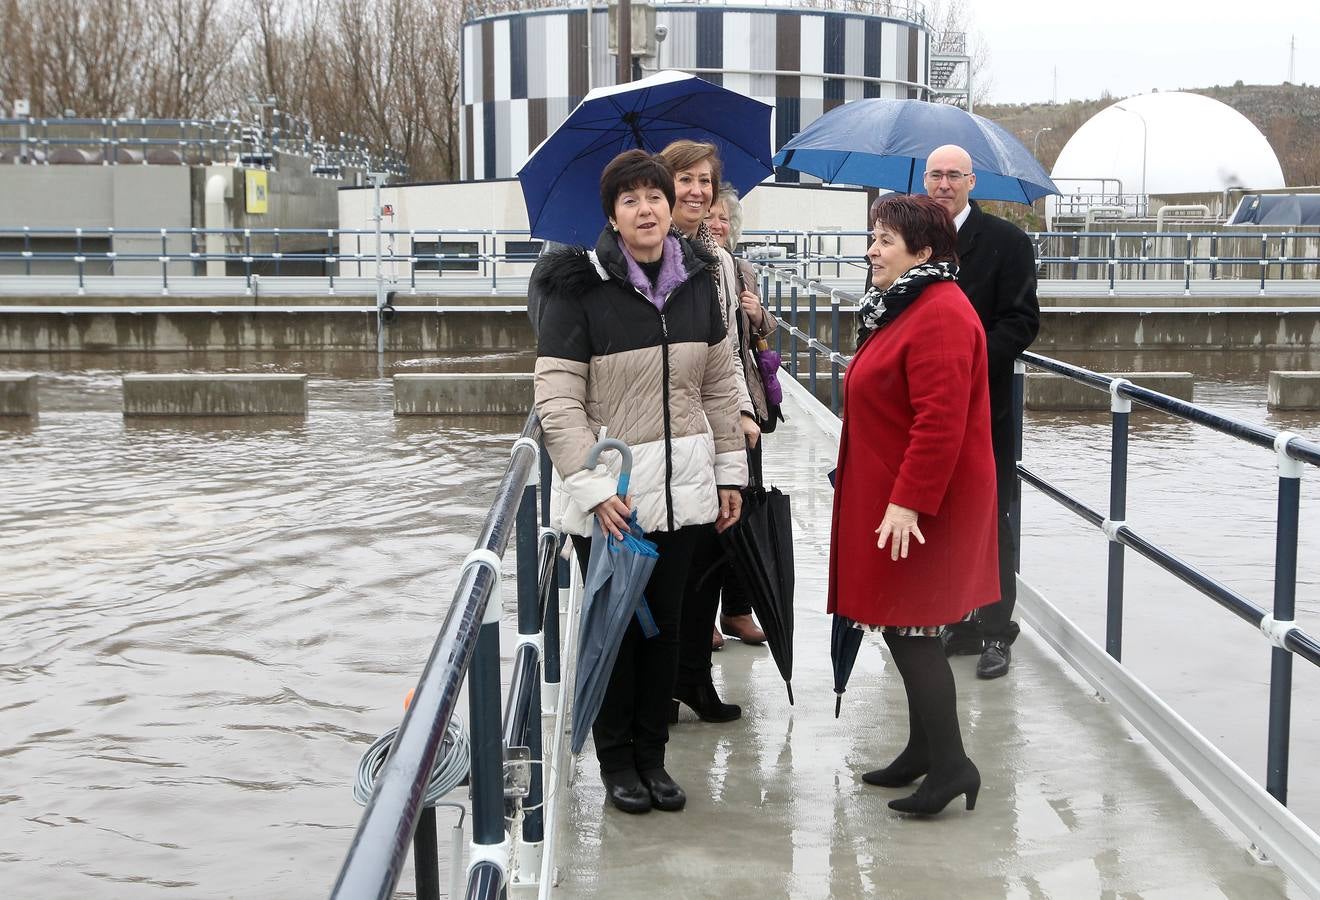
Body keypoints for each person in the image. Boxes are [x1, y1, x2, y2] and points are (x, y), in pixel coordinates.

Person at [534, 149, 748, 814]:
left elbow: (720, 382)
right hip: (615, 499)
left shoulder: (697, 280)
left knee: (668, 633)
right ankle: (616, 762)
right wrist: (594, 490)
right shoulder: (580, 291)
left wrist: (729, 473)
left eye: (653, 195)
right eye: (629, 200)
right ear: (612, 216)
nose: (647, 208)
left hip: (684, 491)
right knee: (617, 632)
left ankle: (654, 758)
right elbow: (557, 399)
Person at [827, 194, 999, 816]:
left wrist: (908, 504)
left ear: (923, 252)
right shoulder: (905, 305)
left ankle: (952, 765)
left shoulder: (941, 314)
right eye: (872, 237)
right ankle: (924, 752)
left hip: (927, 506)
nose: (872, 249)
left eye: (885, 240)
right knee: (905, 625)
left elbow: (940, 422)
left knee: (912, 631)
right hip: (899, 493)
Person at [923, 144, 1041, 680]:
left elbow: (1020, 323)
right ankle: (958, 621)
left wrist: (963, 360)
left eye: (954, 175)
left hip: (982, 406)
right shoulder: (912, 237)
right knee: (938, 514)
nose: (943, 184)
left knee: (992, 519)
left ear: (972, 181)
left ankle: (996, 630)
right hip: (923, 409)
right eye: (934, 175)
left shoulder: (1008, 243)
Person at [659, 139, 758, 723]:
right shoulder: (639, 252)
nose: (697, 192)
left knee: (706, 558)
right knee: (663, 571)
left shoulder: (716, 260)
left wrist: (742, 415)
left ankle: (694, 680)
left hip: (707, 423)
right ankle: (661, 690)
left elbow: (725, 353)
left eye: (706, 181)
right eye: (684, 180)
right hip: (654, 430)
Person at [704, 186, 776, 649]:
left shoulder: (742, 269)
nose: (715, 223)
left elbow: (762, 336)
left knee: (746, 508)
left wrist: (757, 312)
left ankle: (737, 609)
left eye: (723, 217)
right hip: (707, 404)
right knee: (707, 513)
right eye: (709, 216)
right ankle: (704, 617)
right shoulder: (687, 265)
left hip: (745, 399)